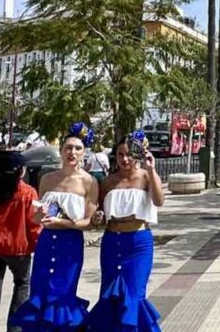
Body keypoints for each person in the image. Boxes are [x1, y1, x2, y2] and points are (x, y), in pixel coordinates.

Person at [9, 122, 99, 331]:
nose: (72, 152)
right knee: (40, 292)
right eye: (68, 148)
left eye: (77, 149)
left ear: (84, 153)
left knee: (62, 295)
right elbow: (37, 216)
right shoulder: (47, 179)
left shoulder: (89, 182)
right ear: (60, 151)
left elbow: (88, 222)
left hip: (70, 244)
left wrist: (63, 222)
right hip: (47, 241)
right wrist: (39, 216)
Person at [87, 131, 165, 332]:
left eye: (129, 154)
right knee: (110, 293)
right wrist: (98, 217)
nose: (125, 159)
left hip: (138, 242)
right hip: (112, 241)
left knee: (134, 293)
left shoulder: (146, 176)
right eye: (120, 154)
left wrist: (152, 168)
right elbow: (101, 214)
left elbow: (159, 201)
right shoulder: (108, 181)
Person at [0, 150, 41, 332]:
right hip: (17, 247)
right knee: (22, 284)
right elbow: (33, 223)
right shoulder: (27, 192)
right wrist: (38, 244)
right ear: (20, 171)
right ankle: (15, 327)